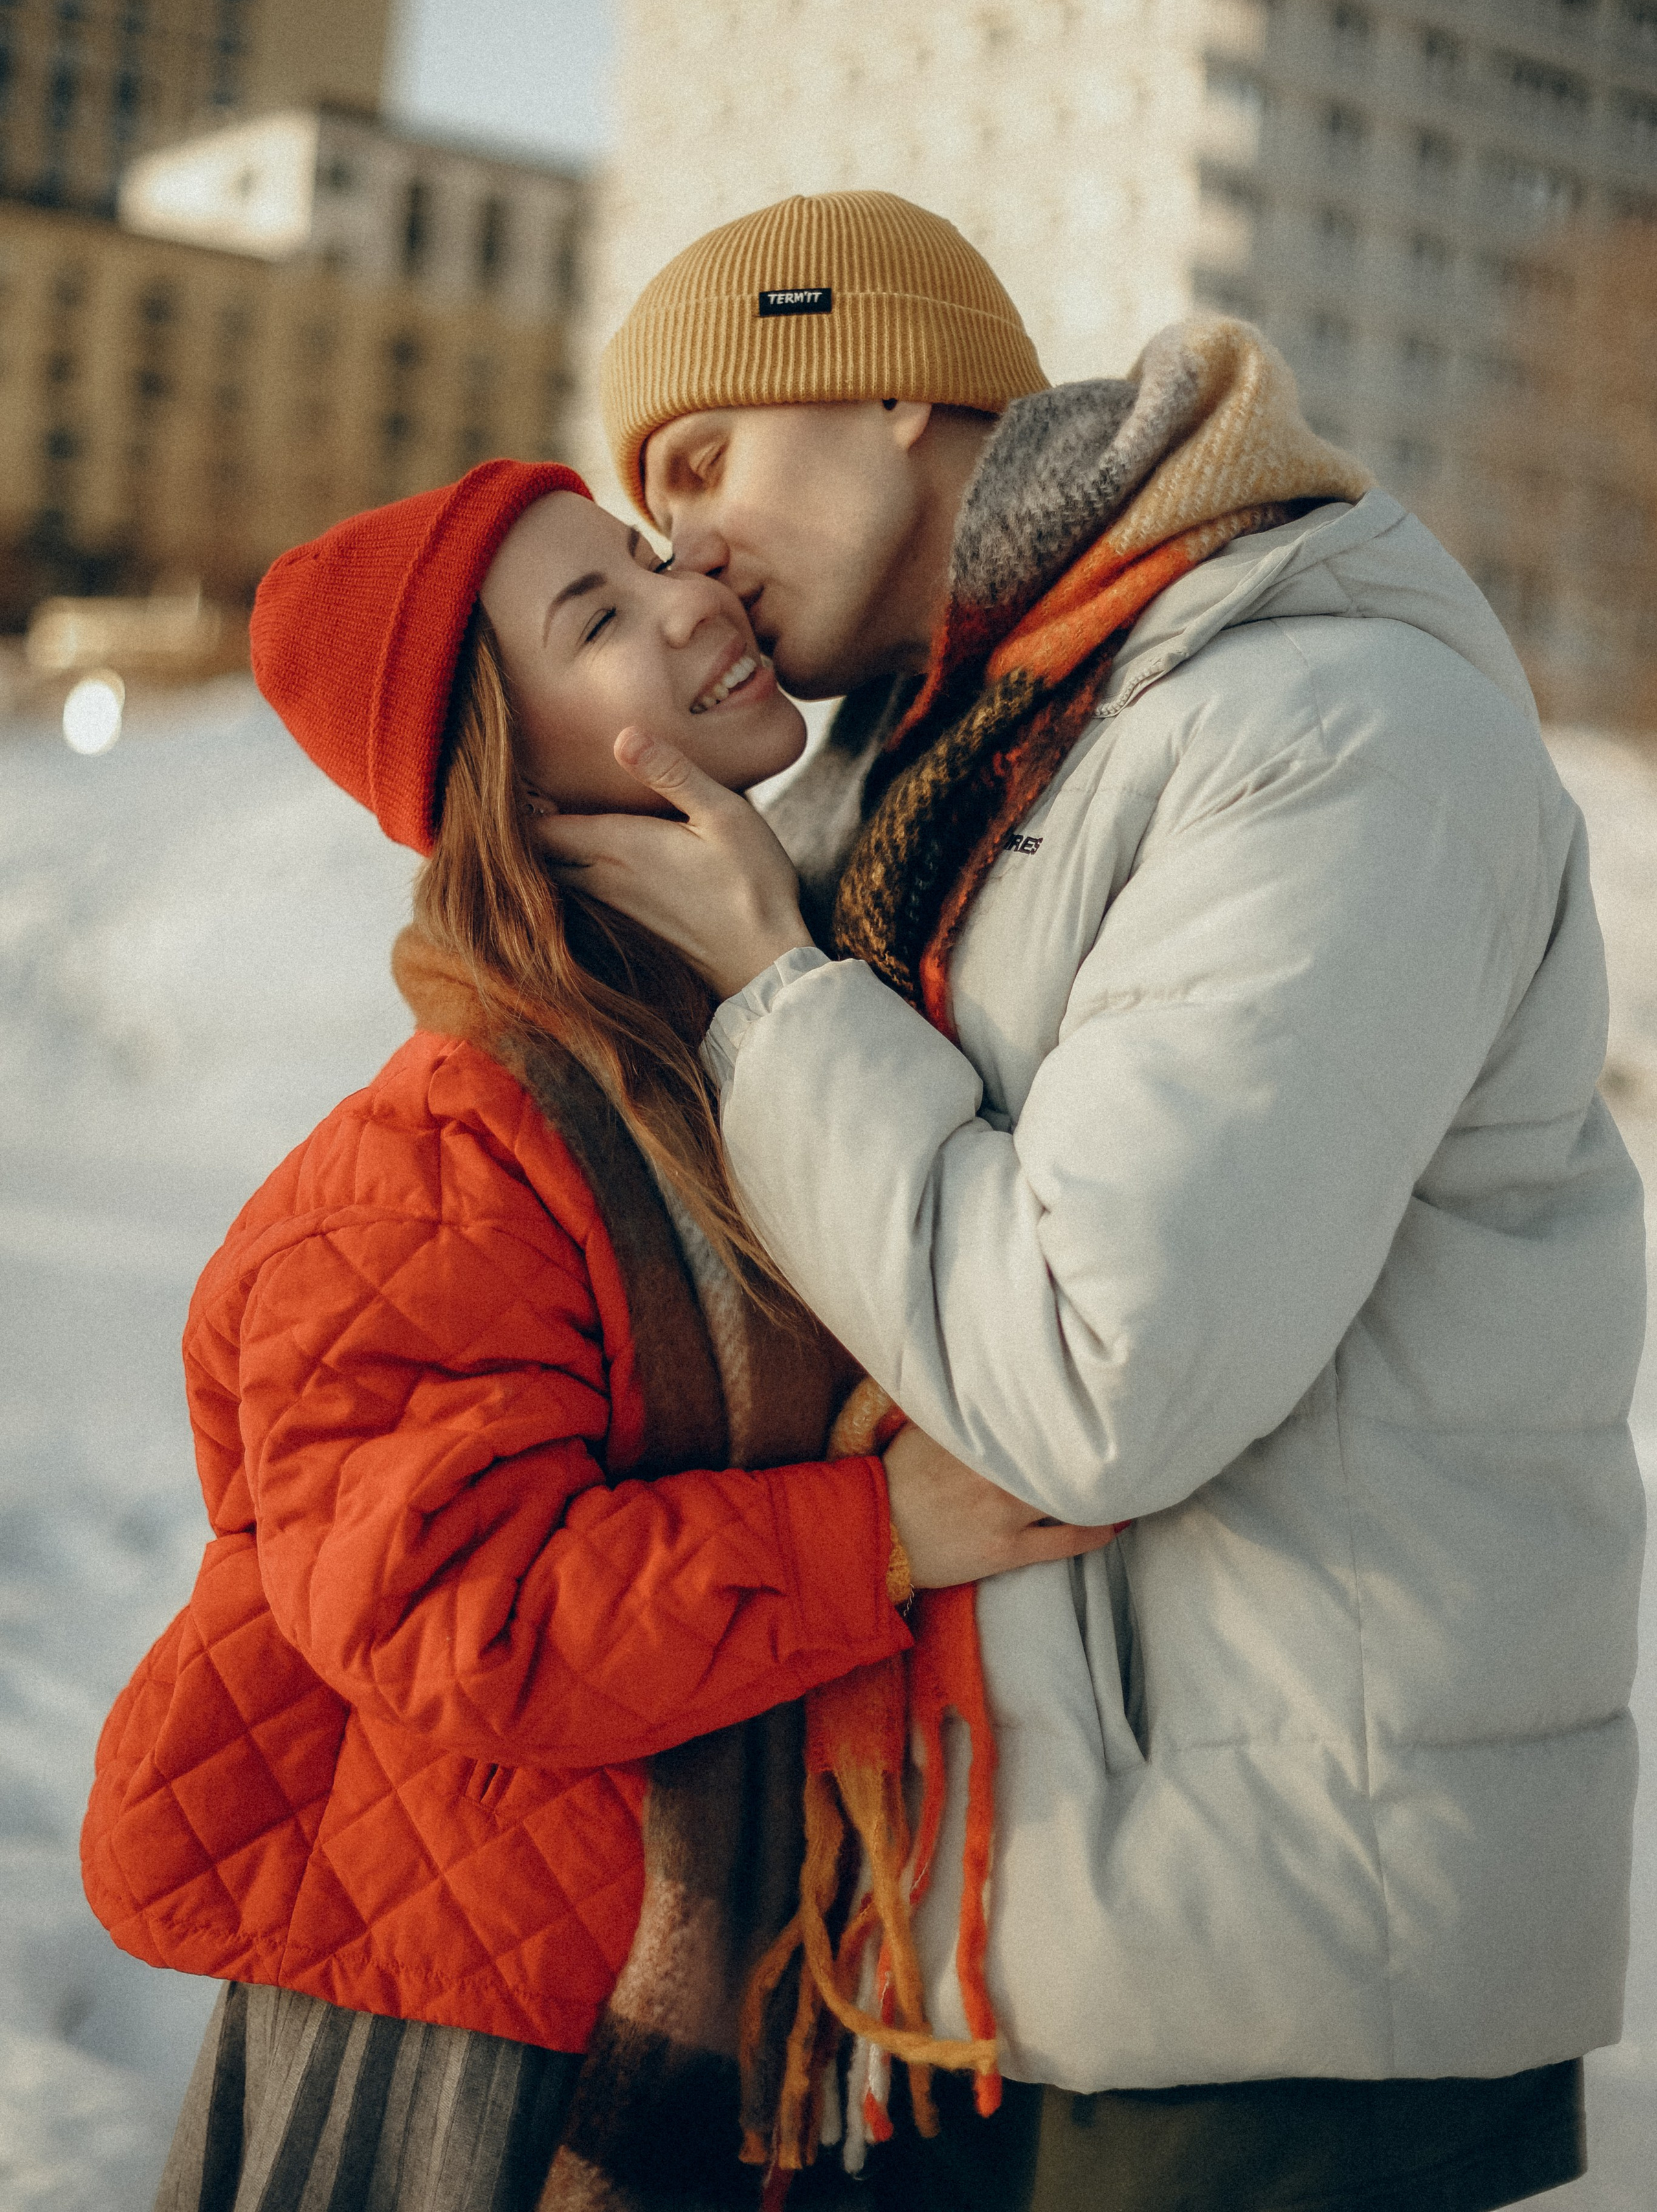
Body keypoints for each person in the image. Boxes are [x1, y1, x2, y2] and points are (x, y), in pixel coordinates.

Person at [534, 190, 1648, 2212]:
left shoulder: (1325, 728)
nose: (680, 546)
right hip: (976, 1952)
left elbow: (1094, 1372)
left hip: (1276, 1987)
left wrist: (776, 990)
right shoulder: (961, 770)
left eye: (701, 460)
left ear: (891, 383)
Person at [80, 459, 1116, 2212]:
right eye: (600, 617)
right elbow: (455, 1610)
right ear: (504, 761)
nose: (693, 597)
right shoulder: (445, 1154)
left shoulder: (732, 1042)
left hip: (684, 1999)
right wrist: (875, 1537)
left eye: (647, 560)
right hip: (457, 2043)